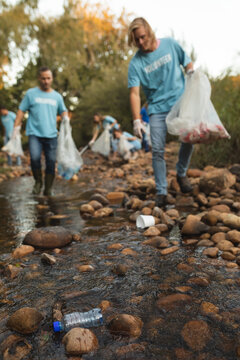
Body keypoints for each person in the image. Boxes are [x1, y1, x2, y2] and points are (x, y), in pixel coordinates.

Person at [128, 17, 194, 207]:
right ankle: (162, 191)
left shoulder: (170, 44)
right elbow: (134, 93)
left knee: (189, 138)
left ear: (149, 31)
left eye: (142, 37)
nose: (140, 42)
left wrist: (191, 74)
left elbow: (187, 62)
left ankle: (181, 174)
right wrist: (136, 120)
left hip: (181, 102)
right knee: (157, 149)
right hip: (157, 108)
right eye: (136, 40)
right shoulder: (136, 63)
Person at [13, 66, 69, 196]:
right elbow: (21, 110)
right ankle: (38, 182)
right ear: (39, 78)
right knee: (35, 158)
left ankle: (48, 188)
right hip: (34, 134)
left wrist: (66, 118)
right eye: (43, 78)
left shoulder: (57, 96)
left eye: (48, 78)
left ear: (52, 79)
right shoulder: (30, 94)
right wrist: (16, 127)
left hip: (51, 134)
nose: (46, 81)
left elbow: (63, 110)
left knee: (50, 162)